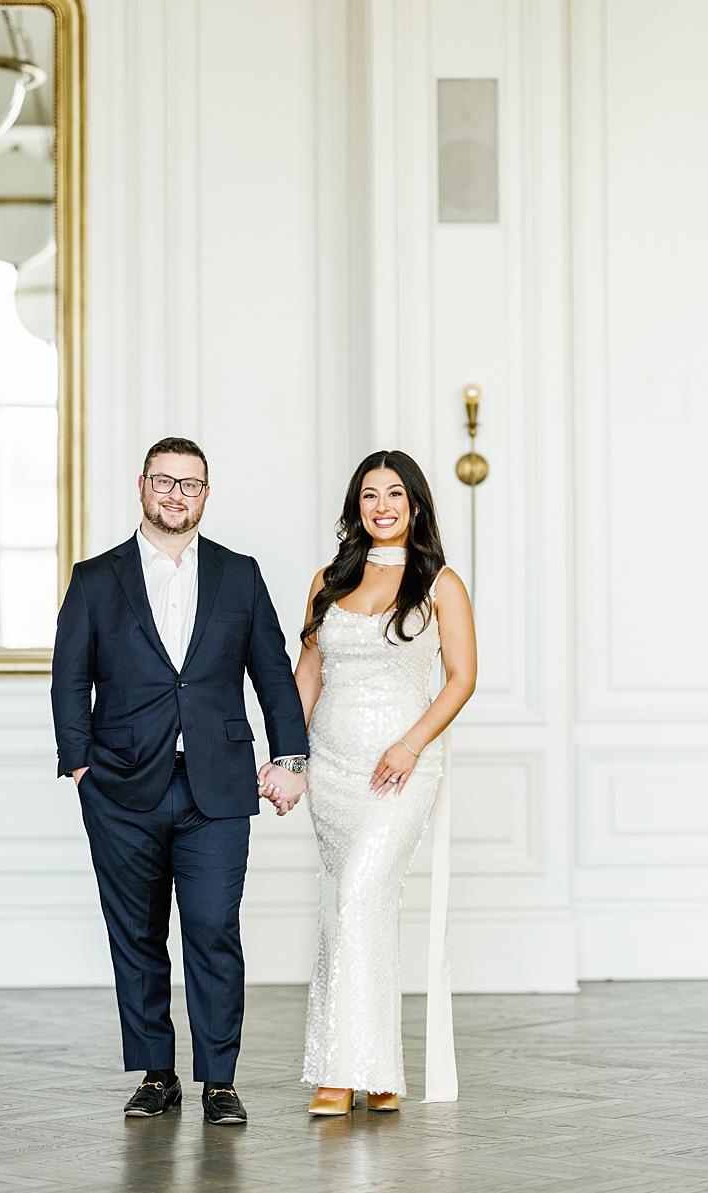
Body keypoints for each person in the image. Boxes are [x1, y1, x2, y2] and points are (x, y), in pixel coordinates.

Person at [51, 436, 310, 1124]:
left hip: (216, 786)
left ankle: (219, 1080)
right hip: (119, 786)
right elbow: (70, 676)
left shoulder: (239, 574)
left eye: (189, 484)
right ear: (143, 486)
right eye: (164, 481)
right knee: (137, 933)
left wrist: (291, 757)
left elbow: (274, 673)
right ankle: (157, 1074)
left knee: (213, 927)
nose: (176, 494)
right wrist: (79, 764)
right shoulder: (95, 578)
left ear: (205, 494)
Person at [272, 450, 476, 1116]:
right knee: (350, 907)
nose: (381, 506)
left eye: (394, 494)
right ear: (355, 507)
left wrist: (411, 744)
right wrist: (289, 758)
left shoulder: (440, 583)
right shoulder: (328, 579)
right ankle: (379, 1071)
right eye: (369, 495)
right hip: (332, 767)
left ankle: (342, 1071)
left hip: (400, 768)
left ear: (415, 505)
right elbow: (307, 674)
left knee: (360, 897)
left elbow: (462, 678)